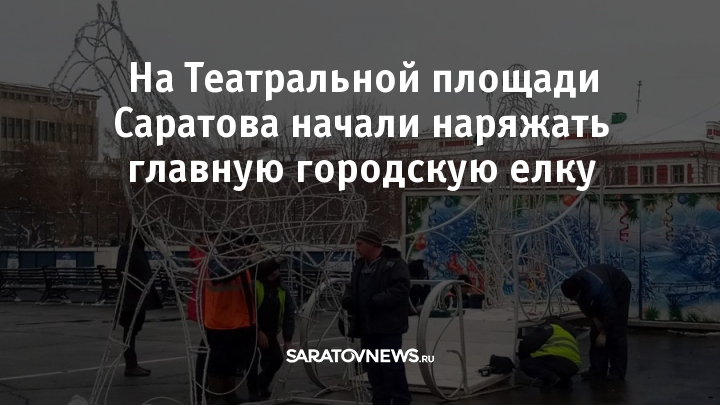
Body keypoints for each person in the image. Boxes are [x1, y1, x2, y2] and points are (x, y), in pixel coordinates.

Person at [342, 229, 412, 405]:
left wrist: (376, 302)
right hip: (367, 327)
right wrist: (348, 299)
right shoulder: (360, 266)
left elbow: (401, 288)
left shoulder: (394, 264)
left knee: (391, 368)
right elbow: (351, 286)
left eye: (360, 244)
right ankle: (380, 401)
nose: (357, 248)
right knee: (373, 369)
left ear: (372, 244)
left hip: (388, 327)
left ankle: (401, 401)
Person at [200, 231, 259, 405]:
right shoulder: (215, 260)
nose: (242, 250)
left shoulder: (236, 261)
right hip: (220, 323)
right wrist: (246, 260)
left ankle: (229, 394)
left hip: (237, 321)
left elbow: (259, 271)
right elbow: (219, 275)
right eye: (239, 247)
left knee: (231, 362)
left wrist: (274, 260)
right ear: (230, 247)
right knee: (218, 362)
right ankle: (216, 396)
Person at [561, 264, 632, 381]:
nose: (573, 300)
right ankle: (597, 370)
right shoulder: (575, 285)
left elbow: (611, 310)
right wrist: (595, 319)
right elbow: (585, 306)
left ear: (579, 291)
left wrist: (603, 333)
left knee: (616, 331)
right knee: (595, 333)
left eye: (574, 297)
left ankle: (617, 371)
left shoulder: (598, 288)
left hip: (619, 287)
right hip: (603, 287)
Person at [114, 223, 163, 377]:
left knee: (134, 329)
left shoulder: (137, 249)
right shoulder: (128, 248)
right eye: (147, 232)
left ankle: (132, 364)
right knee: (130, 331)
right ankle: (131, 365)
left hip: (138, 298)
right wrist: (138, 286)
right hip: (132, 299)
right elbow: (121, 272)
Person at [247, 260, 296, 402]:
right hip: (251, 331)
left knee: (276, 359)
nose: (272, 273)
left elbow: (289, 314)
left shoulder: (282, 289)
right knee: (252, 360)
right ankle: (253, 391)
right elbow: (249, 312)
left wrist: (287, 339)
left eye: (275, 270)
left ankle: (262, 384)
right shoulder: (255, 285)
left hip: (270, 333)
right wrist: (258, 331)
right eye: (269, 270)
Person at [518, 316, 581, 392]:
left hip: (555, 359)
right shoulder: (568, 333)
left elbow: (528, 344)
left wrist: (522, 356)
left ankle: (549, 377)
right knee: (560, 366)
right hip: (574, 366)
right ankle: (565, 381)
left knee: (526, 364)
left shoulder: (549, 327)